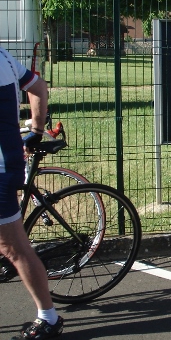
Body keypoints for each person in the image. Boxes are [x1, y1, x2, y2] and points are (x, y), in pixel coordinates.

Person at [0, 46, 65, 339]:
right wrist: (36, 131)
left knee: (13, 247)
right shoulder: (4, 57)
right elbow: (38, 86)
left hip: (1, 168)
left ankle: (48, 317)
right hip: (8, 159)